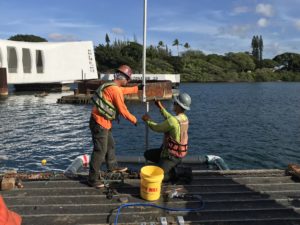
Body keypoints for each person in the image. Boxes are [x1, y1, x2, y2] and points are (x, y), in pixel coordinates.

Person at [88, 65, 139, 188]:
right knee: (100, 151)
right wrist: (134, 120)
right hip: (99, 123)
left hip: (102, 122)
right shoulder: (115, 90)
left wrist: (137, 89)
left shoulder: (110, 85)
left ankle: (112, 167)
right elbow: (123, 110)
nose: (127, 83)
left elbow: (123, 91)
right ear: (123, 78)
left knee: (110, 145)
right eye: (127, 80)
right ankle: (92, 179)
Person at [142, 92, 191, 182]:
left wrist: (148, 121)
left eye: (175, 103)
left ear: (179, 106)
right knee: (148, 154)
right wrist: (160, 107)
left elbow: (157, 128)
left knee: (158, 178)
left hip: (171, 156)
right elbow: (170, 118)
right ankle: (166, 166)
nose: (173, 104)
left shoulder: (173, 121)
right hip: (177, 153)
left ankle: (177, 173)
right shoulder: (184, 118)